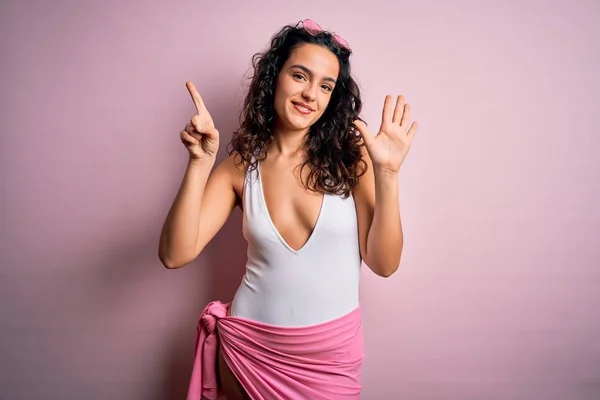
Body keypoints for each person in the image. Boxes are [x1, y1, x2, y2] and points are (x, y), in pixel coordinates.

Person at [158, 18, 418, 400]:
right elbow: (174, 254)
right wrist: (199, 164)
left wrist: (388, 174)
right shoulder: (238, 167)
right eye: (300, 76)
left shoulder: (354, 157)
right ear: (274, 77)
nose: (311, 94)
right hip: (251, 352)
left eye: (325, 86)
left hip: (330, 359)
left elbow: (384, 263)